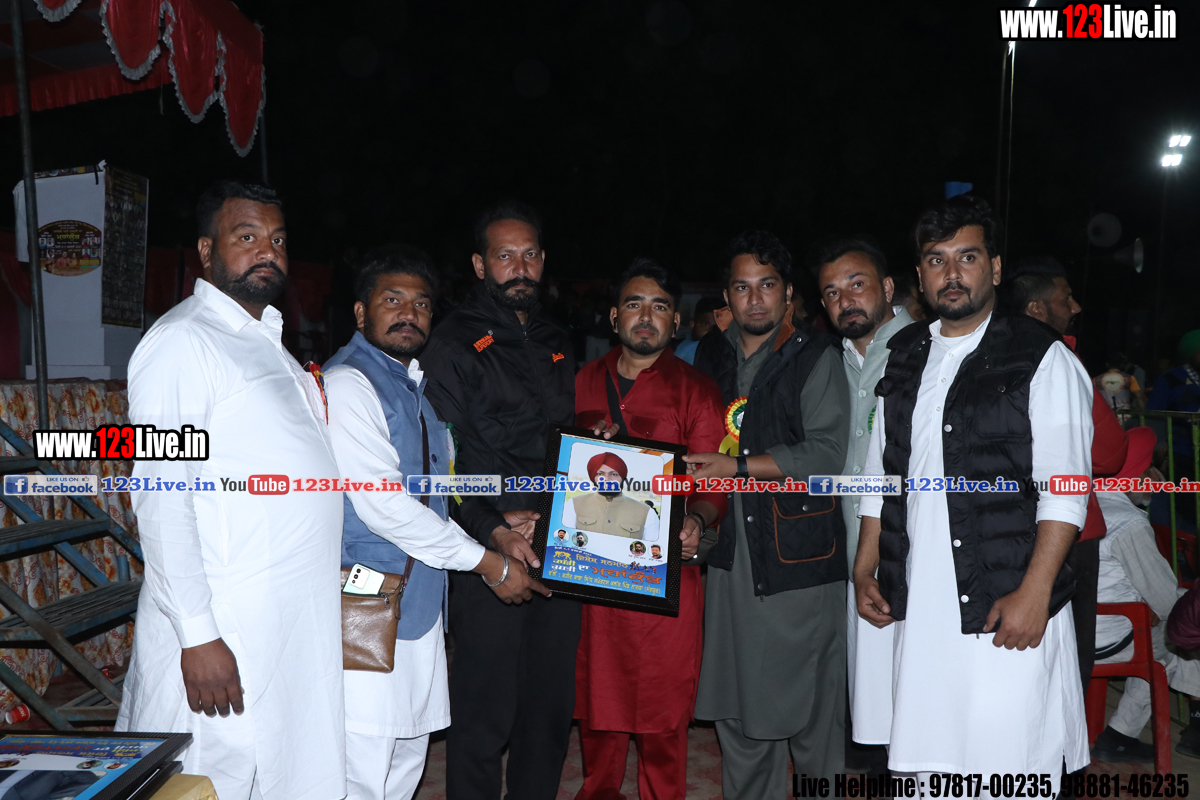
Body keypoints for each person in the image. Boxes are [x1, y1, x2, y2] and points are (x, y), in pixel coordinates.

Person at [116, 181, 347, 800]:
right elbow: (162, 496)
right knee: (205, 781)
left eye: (278, 240)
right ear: (206, 251)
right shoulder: (183, 342)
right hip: (226, 631)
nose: (267, 251)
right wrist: (197, 634)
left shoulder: (267, 343)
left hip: (287, 627)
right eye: (247, 237)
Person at [854, 195, 1091, 777]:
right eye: (937, 260)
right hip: (918, 599)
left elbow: (1066, 488)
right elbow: (880, 475)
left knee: (1008, 759)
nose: (952, 273)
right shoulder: (904, 356)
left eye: (968, 257)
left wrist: (1035, 593)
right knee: (928, 766)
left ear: (996, 268)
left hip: (1004, 596)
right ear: (920, 276)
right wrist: (864, 569)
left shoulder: (1040, 356)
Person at [323, 245, 550, 800]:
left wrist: (497, 521)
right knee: (362, 766)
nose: (409, 313)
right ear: (361, 312)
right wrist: (490, 563)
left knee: (406, 757)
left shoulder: (416, 392)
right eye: (393, 300)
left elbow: (432, 487)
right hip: (366, 606)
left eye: (421, 304)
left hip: (418, 608)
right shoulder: (349, 384)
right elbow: (385, 506)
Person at [421, 201, 579, 800]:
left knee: (548, 707)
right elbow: (444, 460)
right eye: (505, 255)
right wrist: (491, 528)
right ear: (480, 264)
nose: (520, 266)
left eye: (530, 254)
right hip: (487, 541)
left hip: (558, 541)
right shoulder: (452, 341)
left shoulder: (558, 338)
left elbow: (560, 439)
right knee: (484, 711)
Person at [689, 231, 850, 796]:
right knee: (740, 712)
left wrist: (738, 468)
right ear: (727, 297)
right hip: (729, 555)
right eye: (742, 287)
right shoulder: (710, 354)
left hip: (799, 559)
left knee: (812, 720)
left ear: (787, 294)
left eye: (767, 286)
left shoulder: (816, 355)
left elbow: (828, 453)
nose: (754, 299)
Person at [572, 258, 726, 800]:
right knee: (599, 710)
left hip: (664, 572)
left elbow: (713, 482)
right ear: (614, 316)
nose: (646, 316)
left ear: (676, 322)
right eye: (634, 304)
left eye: (660, 306)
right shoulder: (583, 381)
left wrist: (697, 519)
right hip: (592, 572)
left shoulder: (697, 391)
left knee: (662, 714)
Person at [1003, 254, 1129, 699]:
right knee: (1068, 665)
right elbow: (1110, 454)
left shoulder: (983, 355)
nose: (1075, 306)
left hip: (998, 527)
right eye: (1066, 297)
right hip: (1069, 532)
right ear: (1037, 308)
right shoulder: (1059, 359)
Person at [814, 236, 914, 775]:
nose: (845, 300)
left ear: (888, 287)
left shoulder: (923, 352)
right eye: (832, 292)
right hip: (848, 559)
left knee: (914, 705)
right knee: (872, 708)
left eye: (857, 284)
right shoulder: (827, 362)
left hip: (907, 556)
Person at [1090, 427, 1200, 762]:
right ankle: (1126, 735)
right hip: (1108, 640)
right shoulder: (1129, 524)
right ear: (1132, 475)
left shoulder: (1083, 503)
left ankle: (1125, 737)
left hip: (1074, 630)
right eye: (1148, 469)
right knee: (1184, 629)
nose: (1155, 478)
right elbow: (1166, 601)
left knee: (1177, 626)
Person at [561, 453, 660, 540]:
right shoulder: (574, 504)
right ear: (593, 478)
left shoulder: (647, 513)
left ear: (623, 478)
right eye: (600, 473)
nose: (607, 479)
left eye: (614, 474)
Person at [674, 296, 721, 365]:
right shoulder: (691, 350)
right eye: (705, 325)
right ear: (692, 325)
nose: (712, 331)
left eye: (718, 327)